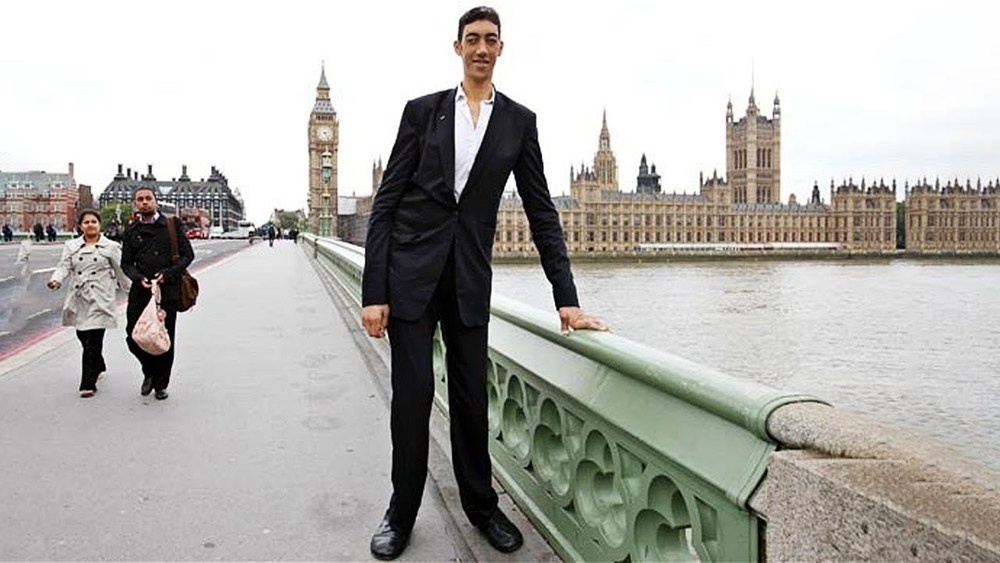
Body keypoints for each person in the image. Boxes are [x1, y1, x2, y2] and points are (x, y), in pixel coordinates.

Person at [360, 6, 607, 560]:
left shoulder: (519, 122)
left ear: (500, 49)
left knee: (472, 401)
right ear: (458, 48)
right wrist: (374, 293)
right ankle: (401, 513)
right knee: (413, 399)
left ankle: (481, 507)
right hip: (411, 277)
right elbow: (386, 205)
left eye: (490, 39)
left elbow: (542, 213)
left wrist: (566, 300)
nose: (480, 48)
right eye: (471, 39)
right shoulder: (422, 112)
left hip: (469, 278)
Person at [120, 186, 194, 401]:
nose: (144, 202)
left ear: (156, 201)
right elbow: (126, 263)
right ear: (136, 204)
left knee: (164, 336)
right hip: (141, 291)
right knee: (133, 336)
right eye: (140, 199)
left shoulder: (172, 225)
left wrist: (168, 274)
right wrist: (138, 277)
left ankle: (161, 383)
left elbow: (187, 255)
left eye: (148, 198)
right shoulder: (131, 231)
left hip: (167, 291)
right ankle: (149, 371)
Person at [47, 209, 130, 398]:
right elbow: (64, 266)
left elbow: (121, 271)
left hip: (100, 297)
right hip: (79, 296)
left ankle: (87, 383)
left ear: (99, 225)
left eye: (94, 221)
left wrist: (133, 291)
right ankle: (98, 365)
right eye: (86, 222)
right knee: (82, 335)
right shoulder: (71, 246)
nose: (90, 225)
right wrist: (56, 279)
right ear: (80, 226)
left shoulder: (111, 247)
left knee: (93, 338)